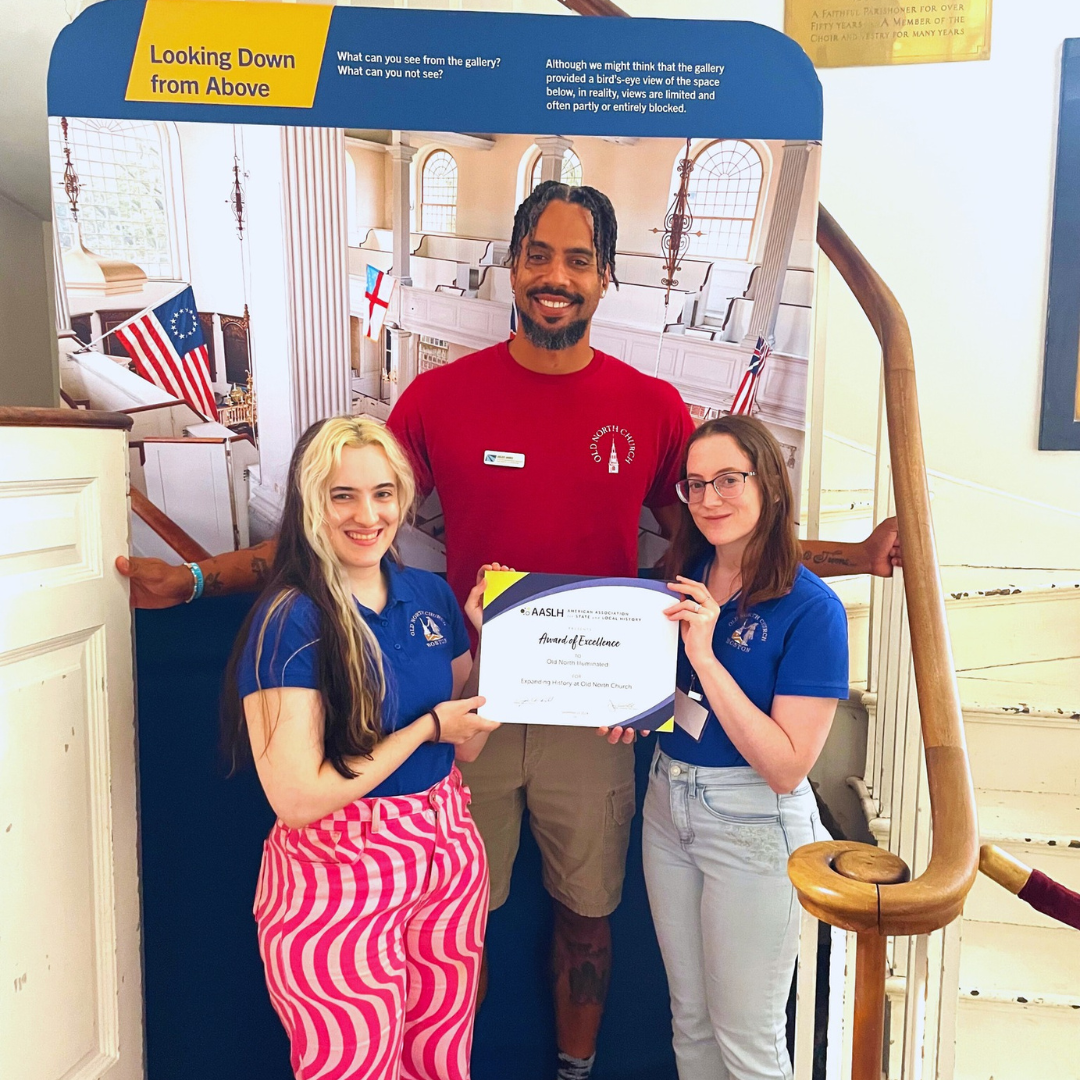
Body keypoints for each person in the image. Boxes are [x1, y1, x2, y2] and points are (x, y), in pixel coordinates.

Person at [119, 181, 900, 1080]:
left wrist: (853, 552)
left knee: (588, 912)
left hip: (596, 715)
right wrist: (190, 580)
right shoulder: (442, 397)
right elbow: (334, 519)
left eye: (577, 259)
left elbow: (734, 524)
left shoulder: (648, 408)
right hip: (469, 706)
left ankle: (572, 1070)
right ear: (514, 269)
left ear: (606, 277)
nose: (555, 276)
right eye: (539, 255)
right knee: (456, 918)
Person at [223, 416, 500, 1080]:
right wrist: (428, 728)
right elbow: (297, 798)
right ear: (310, 502)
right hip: (339, 869)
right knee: (351, 1065)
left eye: (383, 493)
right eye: (342, 494)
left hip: (447, 848)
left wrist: (497, 644)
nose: (367, 514)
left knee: (440, 1057)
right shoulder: (291, 617)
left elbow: (467, 747)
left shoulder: (429, 594)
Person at [607, 414, 849, 1080]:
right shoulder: (683, 571)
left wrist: (707, 657)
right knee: (689, 1022)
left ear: (768, 483)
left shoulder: (812, 607)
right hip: (667, 802)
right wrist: (633, 710)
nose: (710, 499)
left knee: (748, 1040)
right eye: (695, 485)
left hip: (751, 823)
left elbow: (784, 765)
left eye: (728, 480)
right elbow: (674, 700)